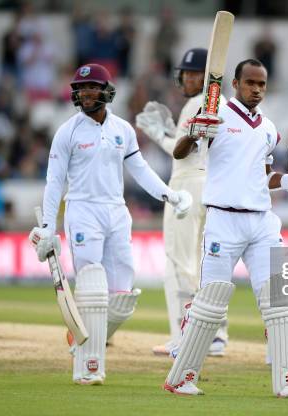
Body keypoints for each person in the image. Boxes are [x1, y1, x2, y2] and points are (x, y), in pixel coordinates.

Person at [165, 59, 288, 398]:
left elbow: (261, 177)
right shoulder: (215, 116)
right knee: (211, 302)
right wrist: (194, 132)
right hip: (223, 220)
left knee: (279, 300)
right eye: (250, 83)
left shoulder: (269, 129)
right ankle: (181, 377)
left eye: (261, 84)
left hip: (261, 222)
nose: (256, 89)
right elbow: (180, 151)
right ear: (236, 84)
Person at [28, 63, 192, 385]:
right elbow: (54, 182)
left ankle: (81, 336)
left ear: (106, 91)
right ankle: (89, 369)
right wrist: (48, 227)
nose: (86, 93)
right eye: (81, 88)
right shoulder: (67, 132)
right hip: (83, 212)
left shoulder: (123, 130)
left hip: (117, 213)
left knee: (123, 298)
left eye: (92, 87)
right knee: (92, 288)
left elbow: (141, 170)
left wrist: (170, 196)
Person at [135, 48, 228, 357]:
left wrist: (158, 133)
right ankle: (215, 336)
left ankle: (182, 338)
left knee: (178, 264)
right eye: (185, 73)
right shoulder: (225, 104)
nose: (187, 78)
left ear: (207, 76)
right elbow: (193, 146)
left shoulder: (193, 104)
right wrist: (167, 134)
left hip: (186, 186)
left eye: (193, 73)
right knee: (204, 264)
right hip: (213, 188)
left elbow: (182, 152)